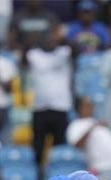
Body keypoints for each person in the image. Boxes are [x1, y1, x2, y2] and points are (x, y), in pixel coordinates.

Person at [26, 31, 73, 163]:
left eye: (52, 39)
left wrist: (63, 38)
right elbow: (24, 53)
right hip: (40, 108)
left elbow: (76, 48)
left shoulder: (64, 52)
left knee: (60, 147)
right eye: (46, 39)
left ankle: (58, 173)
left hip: (60, 107)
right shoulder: (34, 55)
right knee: (37, 147)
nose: (49, 41)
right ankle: (38, 173)